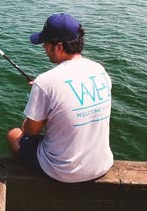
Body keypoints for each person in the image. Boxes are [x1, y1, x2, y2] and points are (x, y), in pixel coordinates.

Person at [7, 13, 113, 183]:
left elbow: (31, 130)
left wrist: (42, 92)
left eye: (45, 44)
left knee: (14, 135)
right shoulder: (100, 70)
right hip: (102, 165)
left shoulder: (45, 81)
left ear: (58, 47)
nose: (43, 48)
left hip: (63, 172)